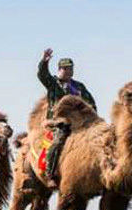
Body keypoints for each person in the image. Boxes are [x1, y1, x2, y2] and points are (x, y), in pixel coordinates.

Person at [37, 48, 96, 187]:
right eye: (65, 69)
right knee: (58, 142)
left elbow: (90, 102)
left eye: (71, 68)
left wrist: (93, 117)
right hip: (59, 123)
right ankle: (50, 174)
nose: (69, 71)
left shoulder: (79, 86)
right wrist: (44, 62)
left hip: (79, 122)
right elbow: (42, 75)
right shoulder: (53, 84)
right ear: (59, 70)